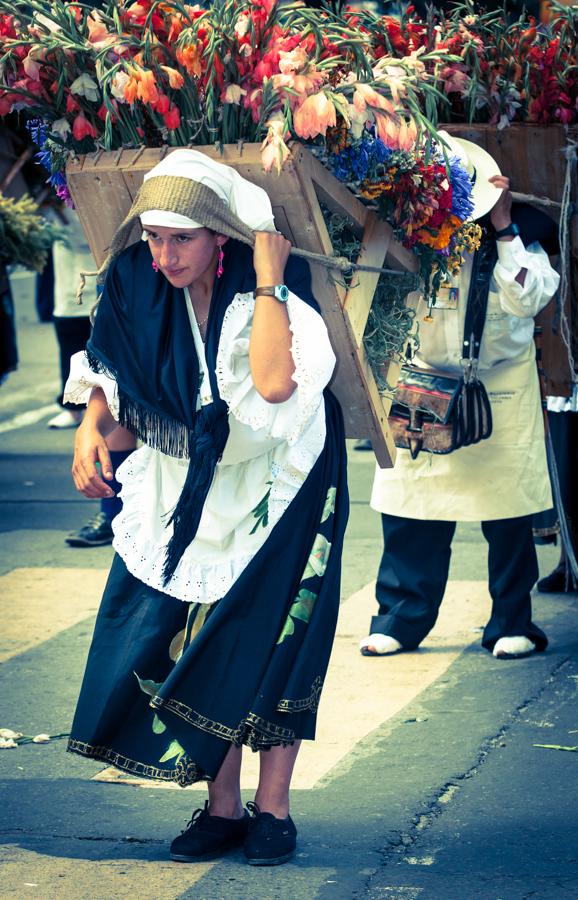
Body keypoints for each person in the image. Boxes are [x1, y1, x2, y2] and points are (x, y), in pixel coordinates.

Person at [64, 150, 348, 866]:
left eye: (181, 238)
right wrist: (89, 430)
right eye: (154, 238)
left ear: (222, 235)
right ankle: (221, 808)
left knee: (279, 636)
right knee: (200, 634)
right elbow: (122, 386)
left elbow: (277, 385)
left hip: (287, 474)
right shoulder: (140, 285)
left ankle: (272, 809)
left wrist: (269, 276)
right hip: (196, 473)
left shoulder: (274, 291)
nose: (164, 255)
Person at [360, 133, 560, 661]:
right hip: (424, 387)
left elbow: (529, 297)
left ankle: (511, 620)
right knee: (411, 509)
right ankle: (401, 618)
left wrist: (502, 224)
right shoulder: (411, 241)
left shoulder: (519, 241)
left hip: (500, 388)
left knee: (507, 511)